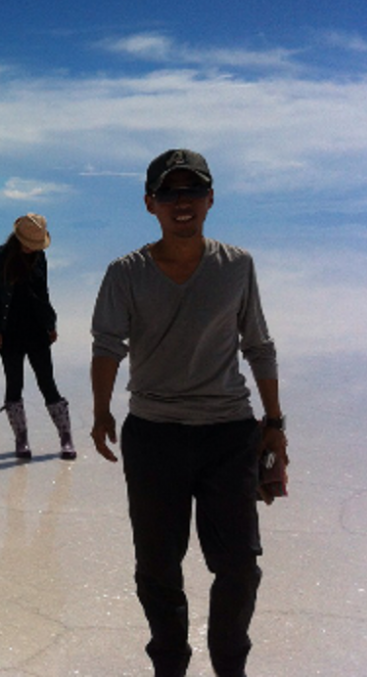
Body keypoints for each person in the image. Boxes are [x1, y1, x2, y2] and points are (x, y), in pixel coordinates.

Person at [90, 149, 289, 677]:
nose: (183, 203)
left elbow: (259, 346)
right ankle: (170, 666)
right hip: (153, 435)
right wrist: (101, 411)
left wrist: (274, 425)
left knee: (240, 567)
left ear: (211, 199)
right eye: (170, 193)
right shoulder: (125, 273)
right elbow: (107, 345)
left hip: (229, 434)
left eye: (193, 191)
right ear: (150, 203)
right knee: (157, 568)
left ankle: (230, 666)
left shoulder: (237, 266)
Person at [0, 213, 76, 461]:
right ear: (17, 237)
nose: (30, 248)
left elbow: (43, 293)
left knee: (48, 382)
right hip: (8, 331)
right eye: (28, 243)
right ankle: (21, 439)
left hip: (37, 329)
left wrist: (51, 324)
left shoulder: (39, 257)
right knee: (14, 385)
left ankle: (66, 438)